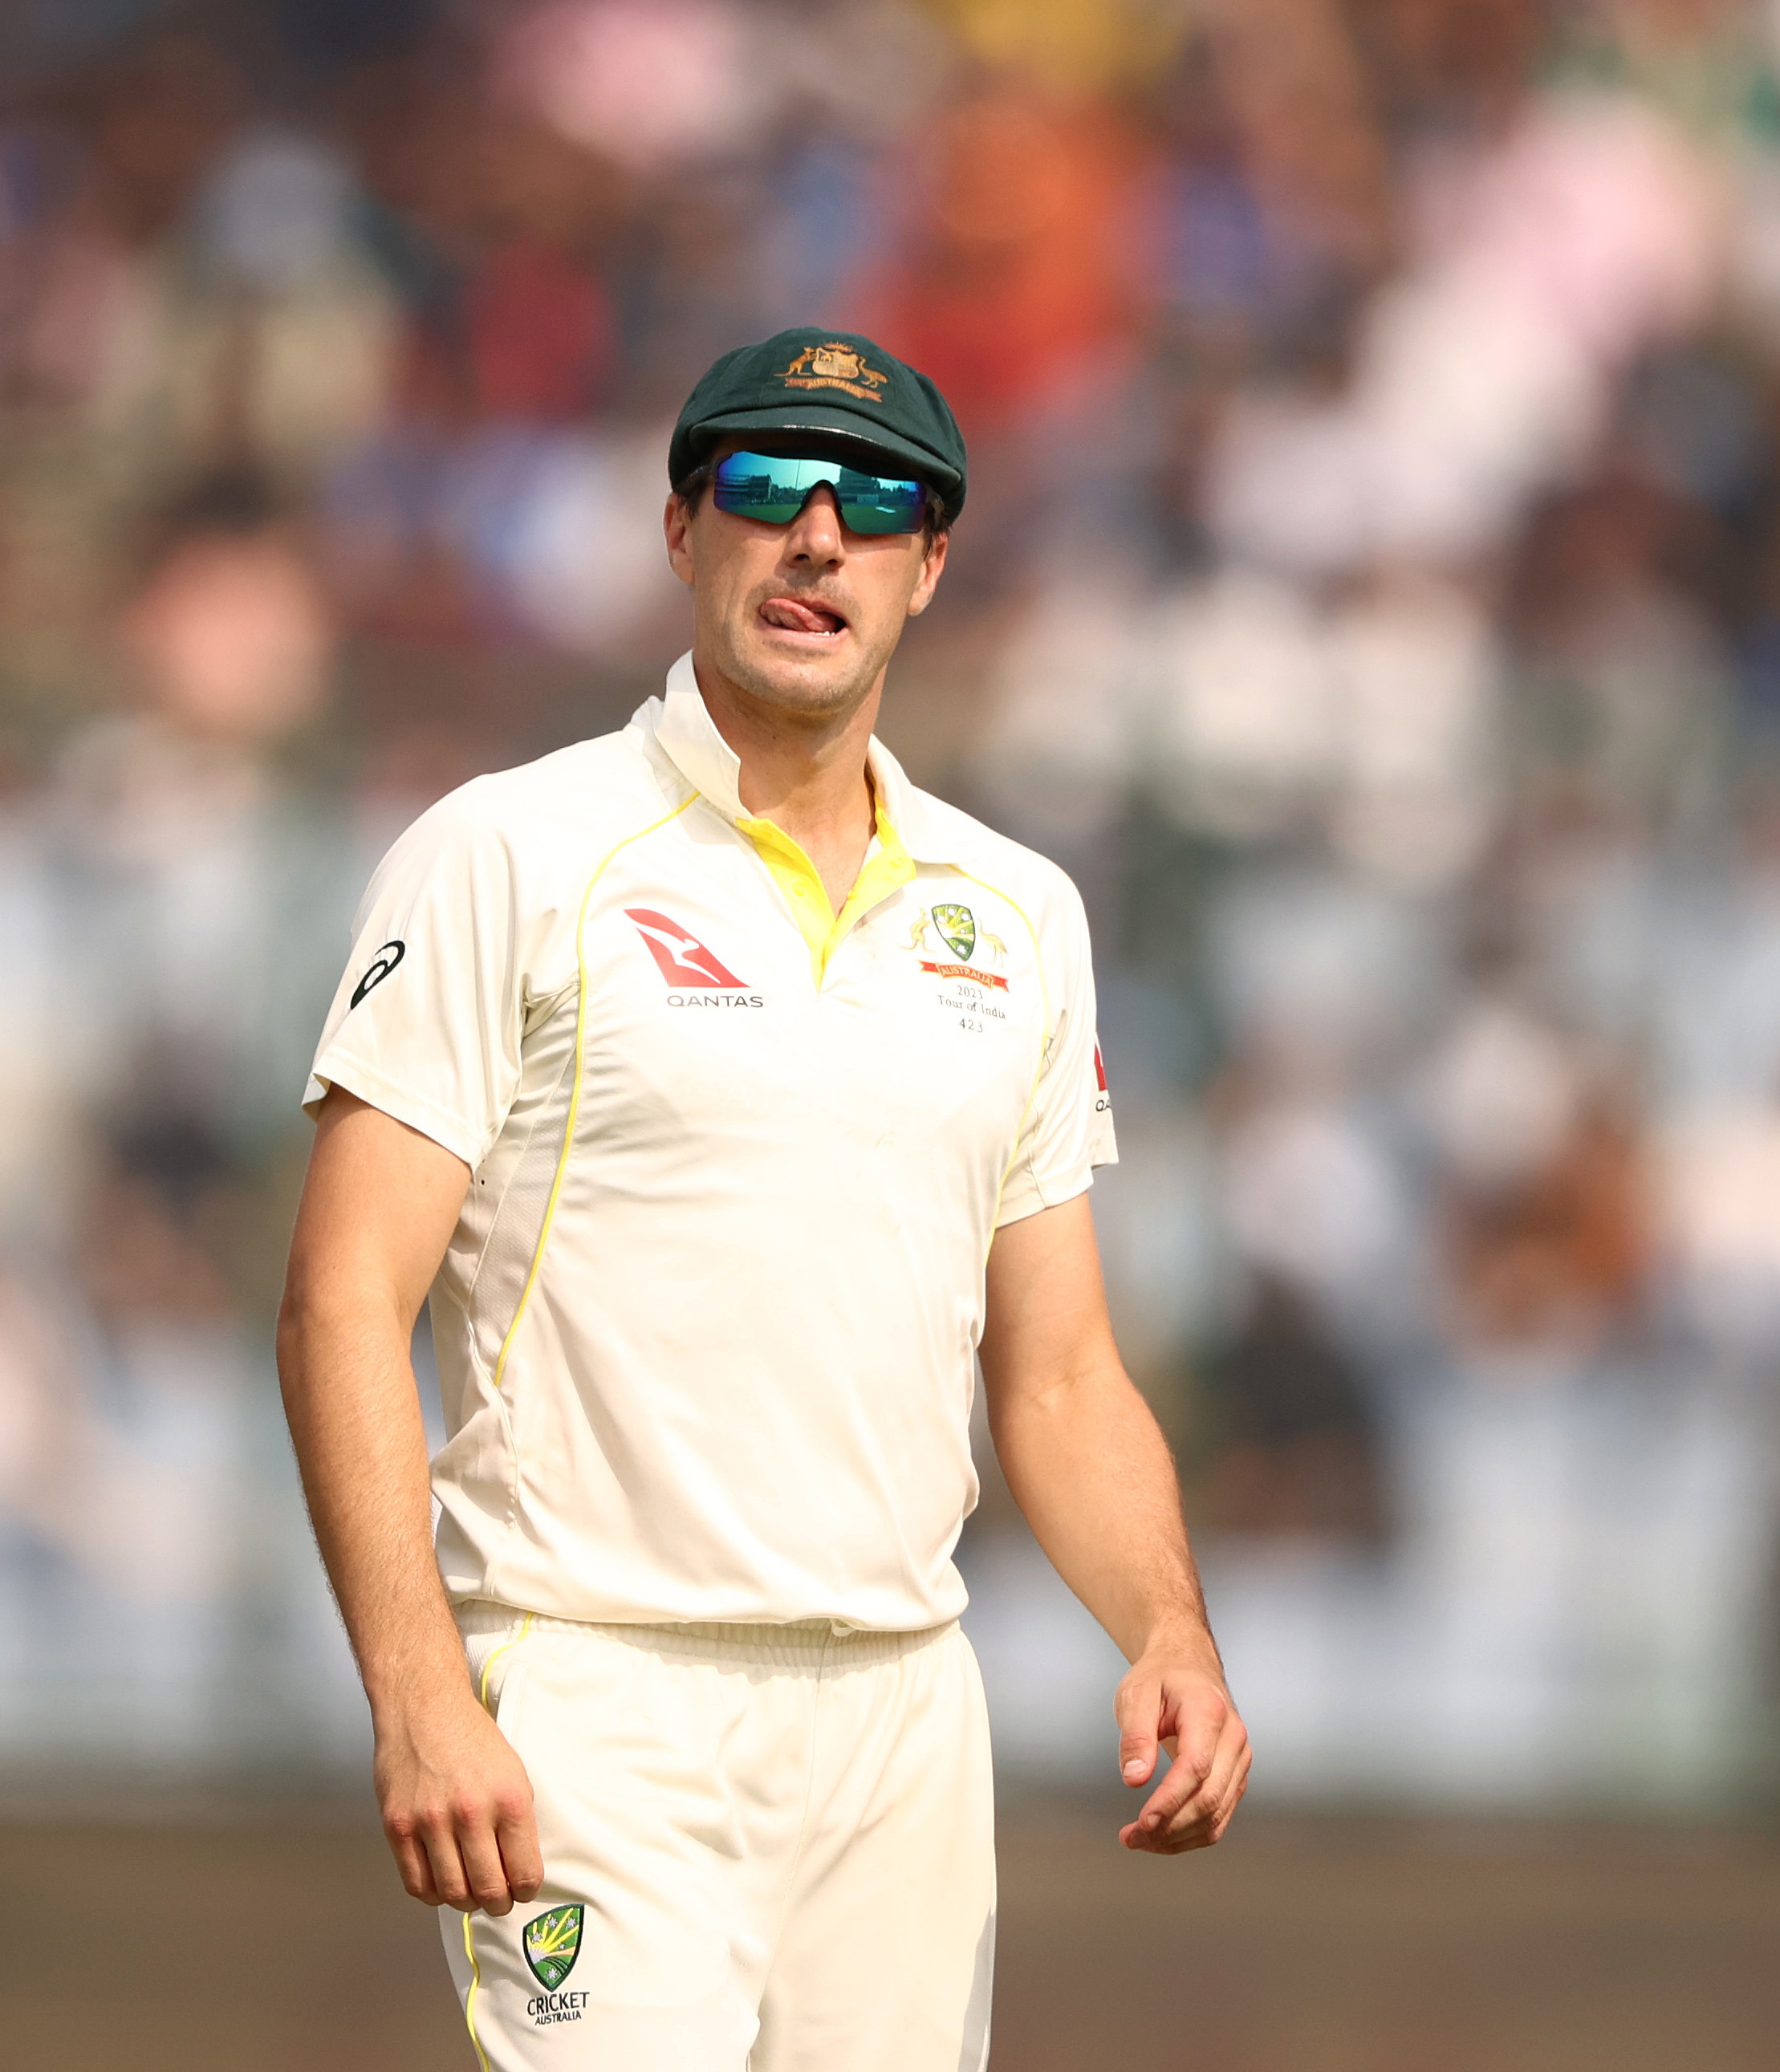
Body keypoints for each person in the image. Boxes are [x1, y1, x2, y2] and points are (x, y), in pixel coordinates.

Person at [277, 327, 1250, 2071]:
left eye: (875, 500)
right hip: (592, 1690)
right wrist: (420, 1695)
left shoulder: (1017, 913)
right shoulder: (508, 850)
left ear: (929, 564)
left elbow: (1057, 1371)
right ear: (681, 530)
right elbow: (342, 1298)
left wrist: (1169, 1627)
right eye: (765, 483)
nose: (819, 534)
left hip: (898, 1714)